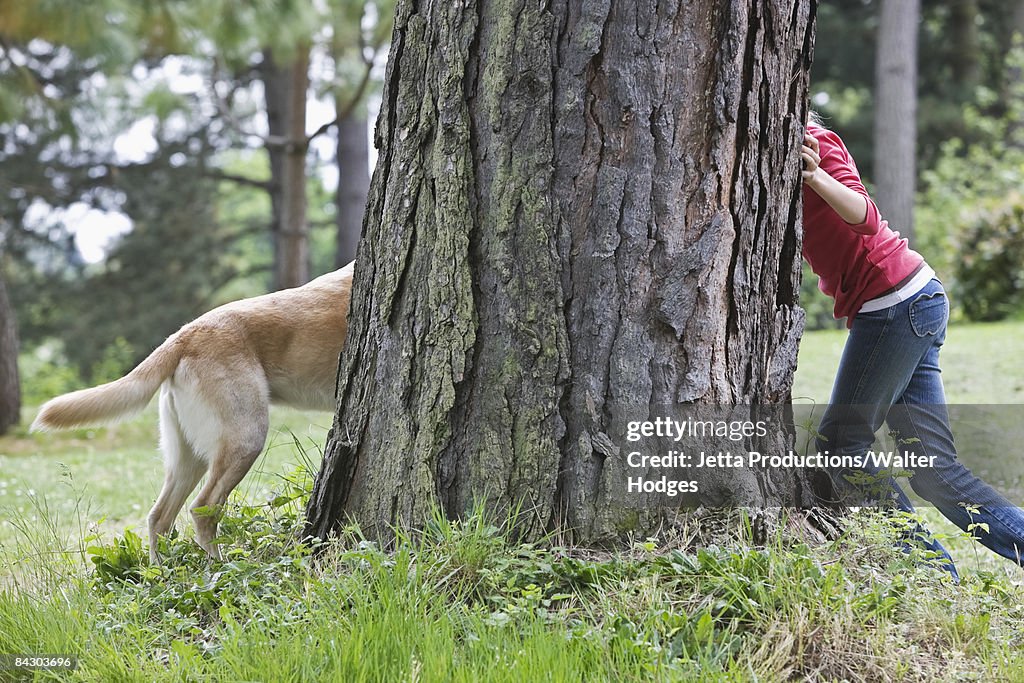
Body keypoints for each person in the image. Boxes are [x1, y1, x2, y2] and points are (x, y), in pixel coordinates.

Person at [800, 116, 1024, 581]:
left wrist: (815, 176)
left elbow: (866, 216)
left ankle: (930, 573)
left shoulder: (813, 142)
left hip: (894, 303)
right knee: (933, 470)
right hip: (911, 300)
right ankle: (939, 576)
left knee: (842, 447)